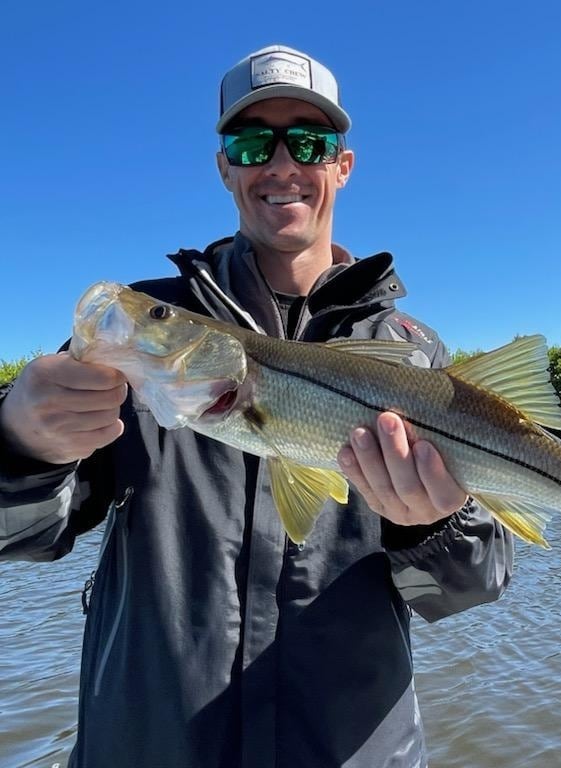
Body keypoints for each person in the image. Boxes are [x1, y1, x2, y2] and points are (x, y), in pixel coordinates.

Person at [0, 45, 513, 768]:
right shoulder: (148, 338)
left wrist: (430, 526)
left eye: (307, 141)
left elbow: (467, 590)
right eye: (250, 142)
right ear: (225, 168)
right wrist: (18, 442)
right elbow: (19, 537)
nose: (280, 165)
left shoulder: (412, 354)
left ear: (343, 164)